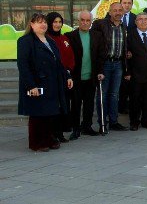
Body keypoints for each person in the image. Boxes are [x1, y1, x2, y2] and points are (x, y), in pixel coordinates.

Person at [17, 13, 73, 151]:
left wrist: (67, 76)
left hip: (52, 84)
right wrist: (31, 85)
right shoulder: (25, 41)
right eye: (38, 22)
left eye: (44, 22)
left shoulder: (50, 41)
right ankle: (36, 143)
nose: (43, 25)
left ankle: (49, 139)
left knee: (50, 113)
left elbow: (58, 63)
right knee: (37, 115)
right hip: (37, 83)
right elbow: (23, 65)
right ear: (31, 24)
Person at [66, 11, 105, 139]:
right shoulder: (70, 36)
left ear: (91, 22)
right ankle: (75, 129)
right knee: (76, 104)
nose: (85, 22)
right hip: (76, 77)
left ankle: (87, 126)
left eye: (88, 20)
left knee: (89, 104)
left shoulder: (97, 36)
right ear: (78, 21)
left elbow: (100, 55)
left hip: (91, 76)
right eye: (82, 20)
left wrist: (100, 71)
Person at [92, 2, 128, 133]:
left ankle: (114, 121)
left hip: (118, 64)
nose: (118, 12)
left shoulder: (124, 27)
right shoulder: (101, 24)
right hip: (105, 64)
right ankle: (102, 122)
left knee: (114, 94)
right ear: (110, 11)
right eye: (115, 10)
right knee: (103, 94)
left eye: (120, 10)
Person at [124, 12, 147, 131]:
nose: (143, 21)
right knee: (135, 100)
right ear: (135, 22)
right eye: (140, 19)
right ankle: (134, 122)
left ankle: (146, 121)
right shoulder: (130, 35)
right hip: (135, 73)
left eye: (146, 19)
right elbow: (126, 54)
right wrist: (127, 72)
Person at [46, 12, 75, 142]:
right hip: (52, 78)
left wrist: (68, 71)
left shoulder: (64, 39)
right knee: (53, 106)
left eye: (59, 22)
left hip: (65, 77)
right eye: (55, 22)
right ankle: (51, 133)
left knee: (64, 106)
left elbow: (70, 58)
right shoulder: (45, 39)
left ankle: (60, 133)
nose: (57, 25)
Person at [118, 0, 135, 115]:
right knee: (120, 84)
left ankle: (129, 106)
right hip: (118, 56)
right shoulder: (115, 18)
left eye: (129, 3)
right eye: (124, 3)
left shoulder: (137, 18)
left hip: (132, 56)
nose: (126, 5)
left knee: (131, 83)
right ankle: (120, 106)